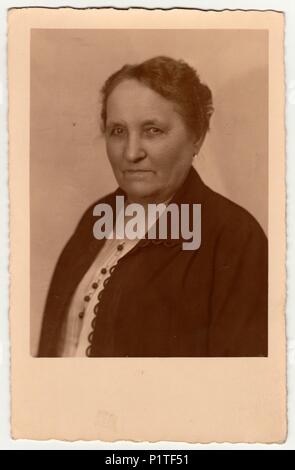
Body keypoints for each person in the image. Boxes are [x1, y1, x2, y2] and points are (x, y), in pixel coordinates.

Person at [37, 56, 268, 357]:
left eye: (152, 131)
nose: (131, 153)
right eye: (118, 131)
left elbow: (239, 385)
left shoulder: (235, 238)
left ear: (196, 135)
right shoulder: (97, 217)